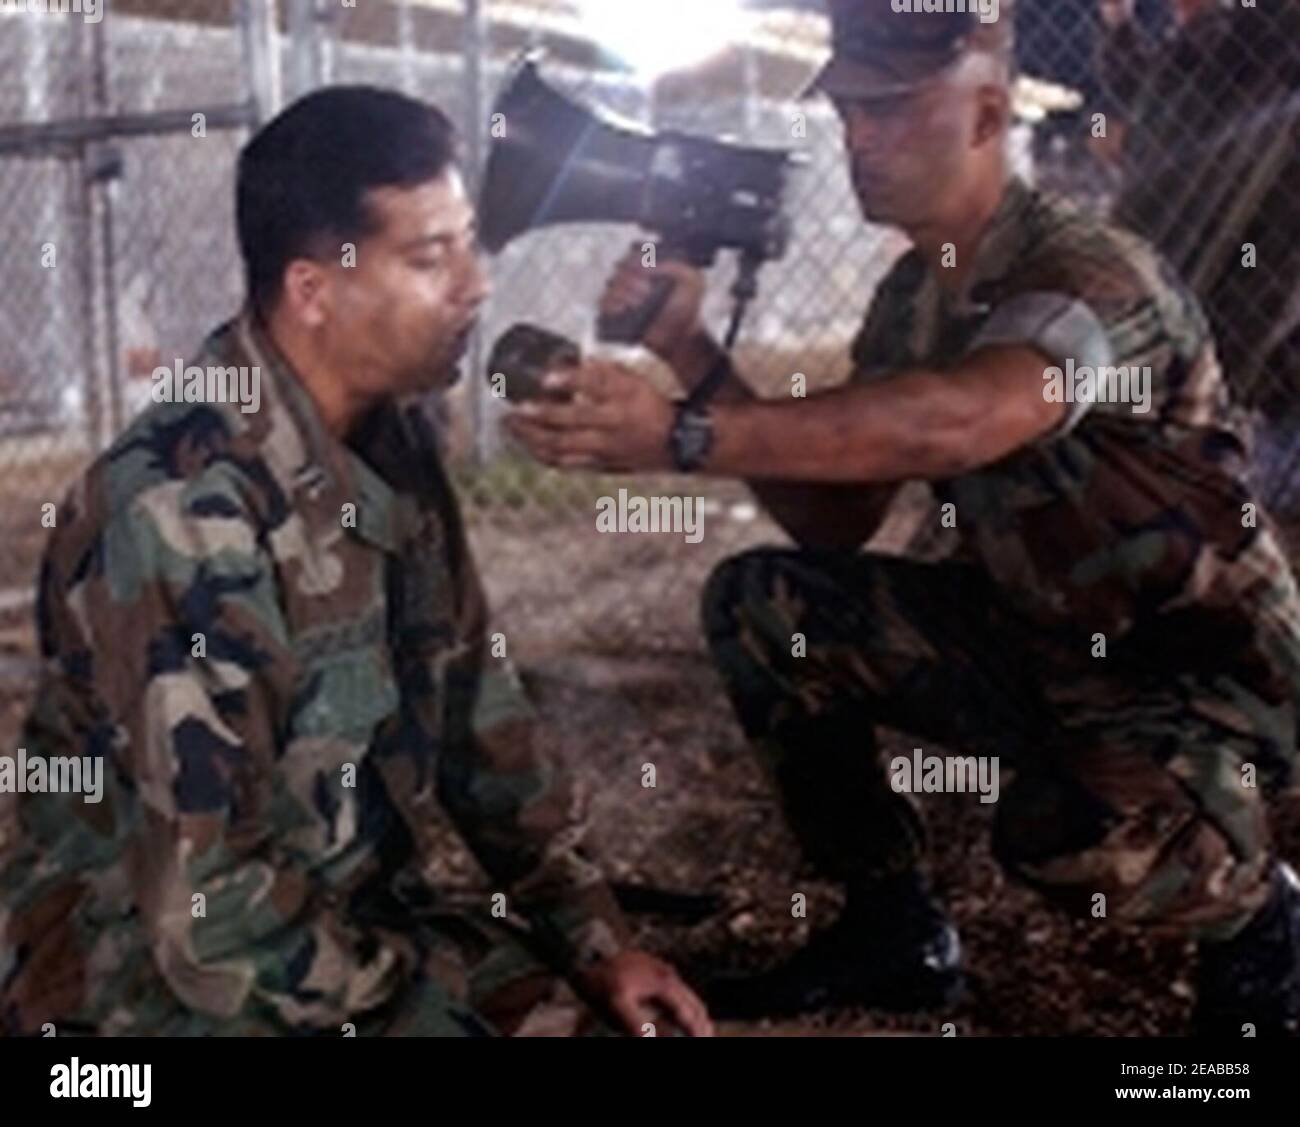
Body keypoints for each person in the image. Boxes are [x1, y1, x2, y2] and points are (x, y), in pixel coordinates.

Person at [506, 0, 1300, 1035]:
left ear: (983, 116)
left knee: (1072, 838)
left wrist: (681, 436)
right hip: (1039, 636)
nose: (860, 138)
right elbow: (836, 522)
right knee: (768, 604)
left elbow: (964, 417)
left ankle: (1260, 924)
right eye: (847, 113)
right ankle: (894, 927)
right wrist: (689, 351)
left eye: (891, 110)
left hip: (1190, 671)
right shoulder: (912, 293)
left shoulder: (1088, 270)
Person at [0, 87, 711, 1039]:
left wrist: (593, 943)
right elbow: (210, 919)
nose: (477, 284)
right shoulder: (179, 509)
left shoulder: (392, 438)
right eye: (431, 255)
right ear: (313, 290)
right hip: (148, 981)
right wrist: (431, 1006)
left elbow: (477, 715)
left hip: (341, 923)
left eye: (469, 240)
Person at [1099, 0, 1300, 515]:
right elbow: (1136, 93)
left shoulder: (1252, 37)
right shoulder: (1182, 59)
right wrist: (1119, 26)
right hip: (1207, 260)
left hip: (1254, 251)